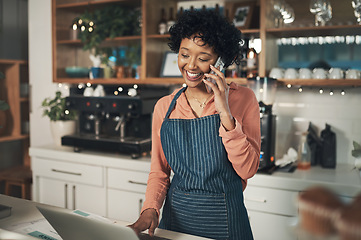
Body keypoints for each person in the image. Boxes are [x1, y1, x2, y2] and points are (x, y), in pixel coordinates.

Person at [129, 9, 260, 240]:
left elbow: (248, 169)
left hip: (227, 224)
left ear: (221, 61)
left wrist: (224, 111)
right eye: (184, 54)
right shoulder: (164, 107)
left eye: (203, 58)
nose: (191, 65)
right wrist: (150, 208)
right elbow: (159, 171)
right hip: (175, 225)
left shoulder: (244, 99)